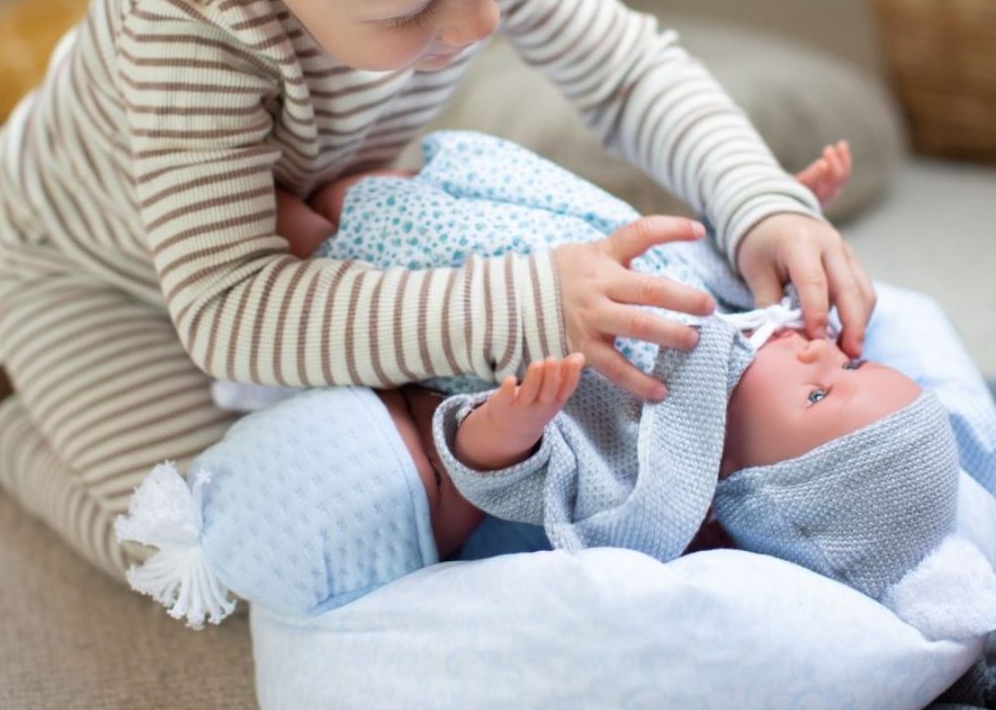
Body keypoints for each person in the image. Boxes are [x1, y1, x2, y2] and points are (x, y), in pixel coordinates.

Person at [0, 0, 873, 582]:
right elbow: (228, 310)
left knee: (408, 471)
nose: (478, 25)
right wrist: (519, 305)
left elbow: (626, 72)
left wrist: (758, 199)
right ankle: (0, 419)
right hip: (101, 280)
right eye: (413, 11)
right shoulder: (187, 16)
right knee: (211, 547)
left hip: (319, 234)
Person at [120, 131, 996, 647]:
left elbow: (514, 481)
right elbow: (721, 261)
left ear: (750, 480)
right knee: (358, 176)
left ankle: (156, 201)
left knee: (293, 229)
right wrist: (785, 207)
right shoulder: (758, 331)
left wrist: (509, 426)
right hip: (502, 217)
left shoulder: (653, 477)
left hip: (425, 296)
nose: (819, 358)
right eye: (850, 365)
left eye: (819, 398)